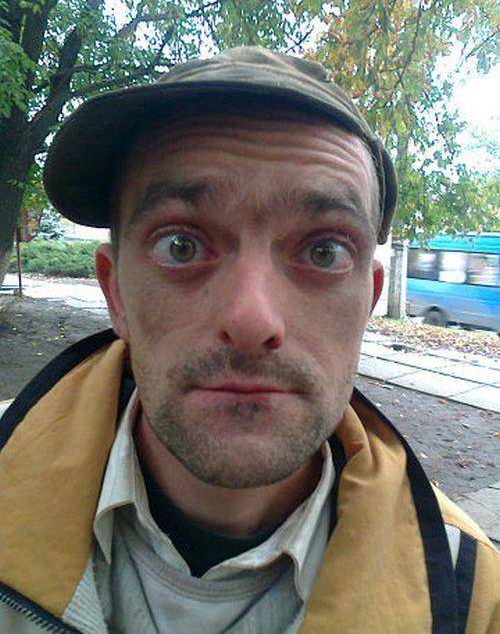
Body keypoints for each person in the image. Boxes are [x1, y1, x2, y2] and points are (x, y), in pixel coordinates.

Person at [0, 47, 497, 634]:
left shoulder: (471, 598)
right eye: (181, 245)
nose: (252, 318)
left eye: (324, 251)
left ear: (367, 302)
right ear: (116, 294)